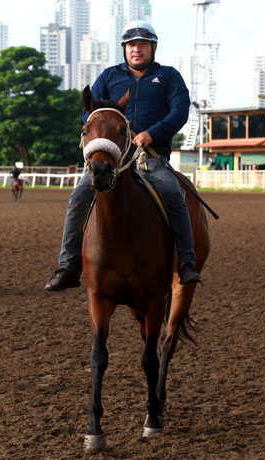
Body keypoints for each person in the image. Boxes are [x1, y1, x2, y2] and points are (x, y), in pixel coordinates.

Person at [44, 20, 199, 291]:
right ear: (124, 49)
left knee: (173, 193)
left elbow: (180, 111)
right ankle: (68, 266)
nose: (136, 50)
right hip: (112, 157)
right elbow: (89, 112)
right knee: (79, 195)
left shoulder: (169, 76)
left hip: (150, 155)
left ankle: (186, 262)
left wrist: (152, 133)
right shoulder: (108, 77)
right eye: (131, 45)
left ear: (153, 47)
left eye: (142, 45)